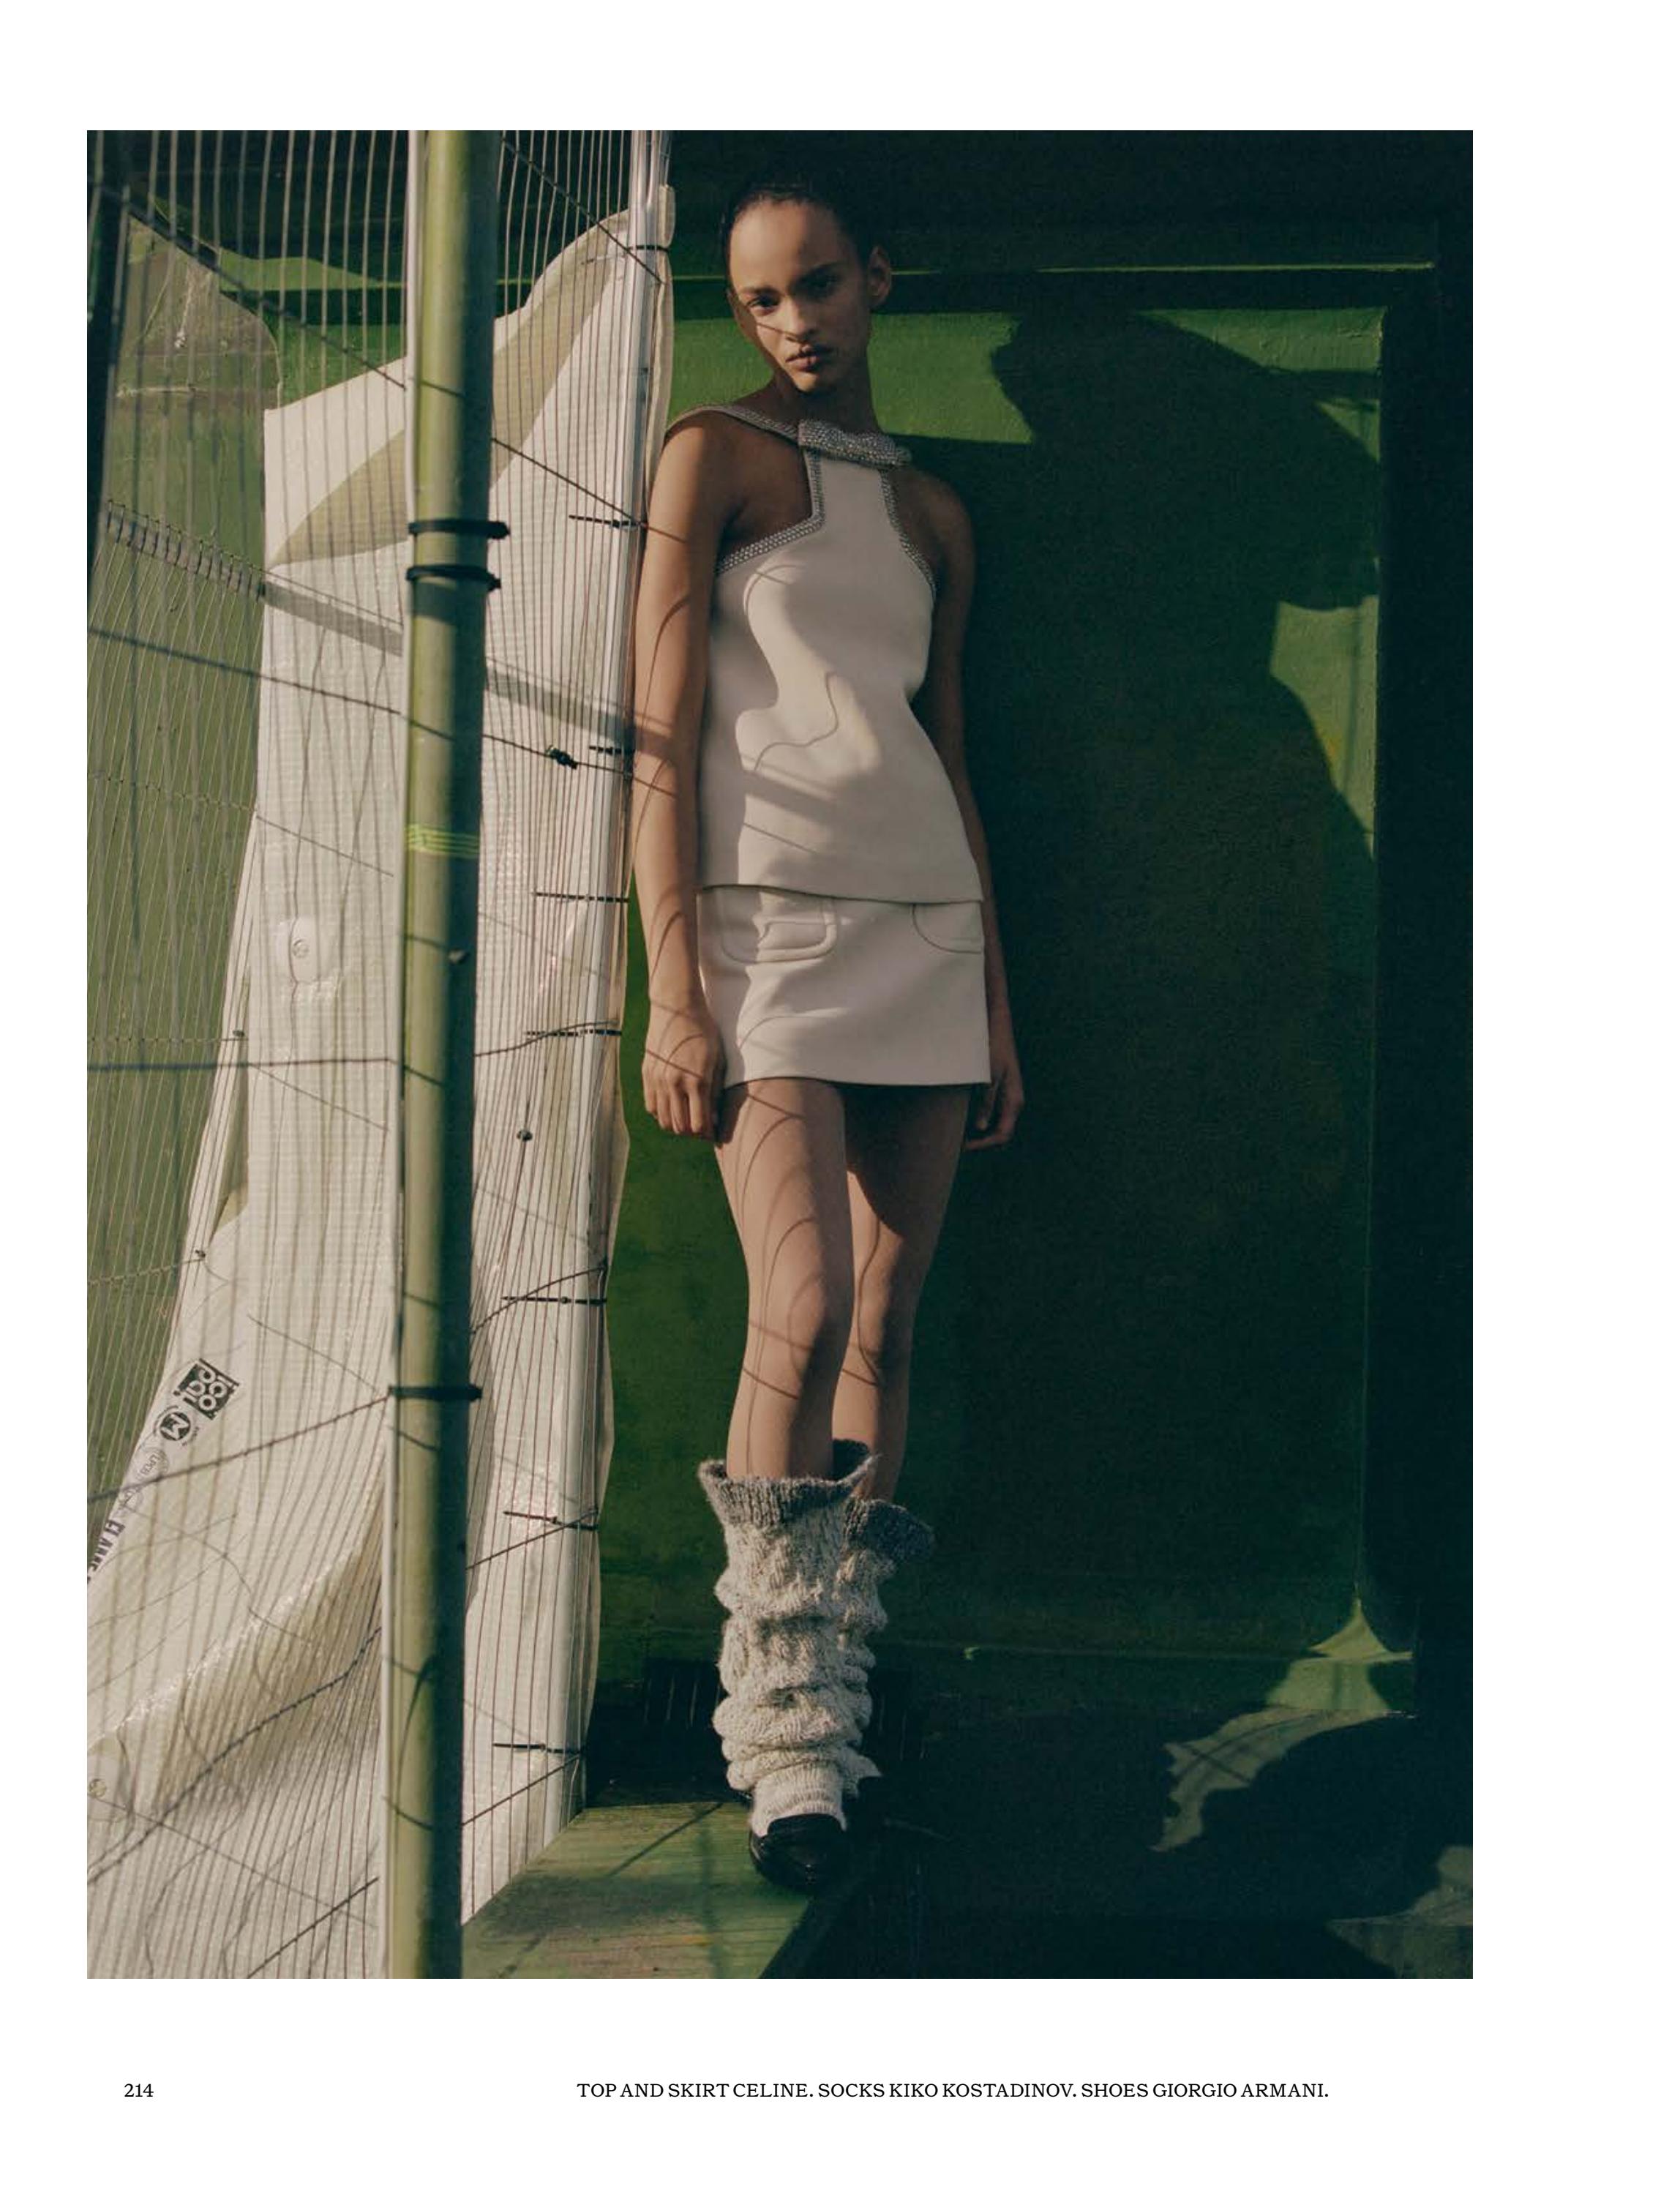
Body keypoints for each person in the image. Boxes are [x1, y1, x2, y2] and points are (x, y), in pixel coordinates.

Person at [629, 170, 1024, 1892]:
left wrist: (993, 999)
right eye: (759, 299)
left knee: (882, 1316)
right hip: (764, 934)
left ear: (879, 278)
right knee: (793, 1308)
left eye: (817, 286)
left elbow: (949, 753)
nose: (791, 323)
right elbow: (656, 733)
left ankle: (841, 1695)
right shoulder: (706, 456)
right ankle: (778, 1735)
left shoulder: (932, 513)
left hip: (924, 927)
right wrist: (673, 985)